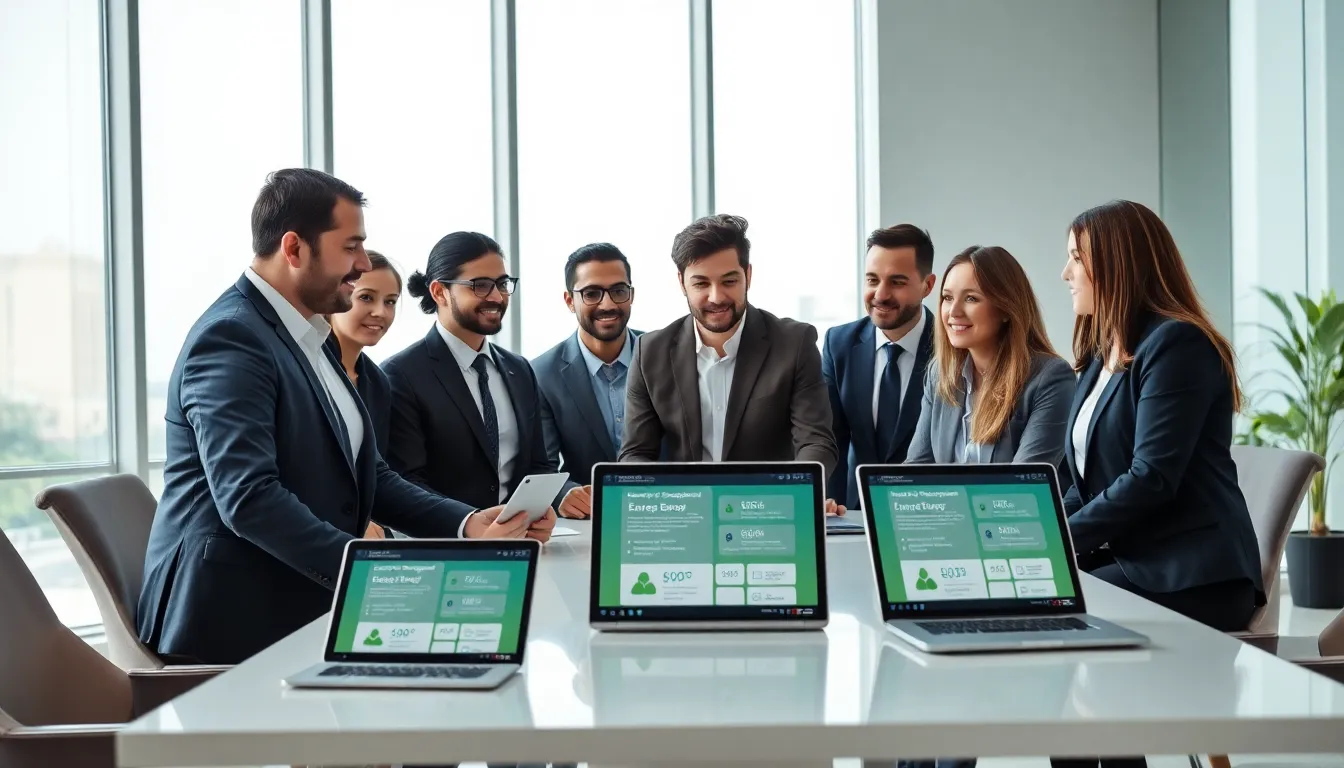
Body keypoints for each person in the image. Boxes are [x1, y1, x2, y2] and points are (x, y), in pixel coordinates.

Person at [137, 169, 552, 666]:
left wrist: (467, 524)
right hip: (234, 618)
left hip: (303, 596)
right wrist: (372, 571)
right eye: (350, 246)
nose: (360, 265)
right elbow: (248, 498)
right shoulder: (233, 338)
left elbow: (370, 472)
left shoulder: (310, 339)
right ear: (294, 249)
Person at [1053, 200, 1265, 768]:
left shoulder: (1177, 345)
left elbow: (1151, 478)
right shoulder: (1102, 356)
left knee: (1061, 632)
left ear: (1116, 264)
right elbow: (1085, 480)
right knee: (1052, 627)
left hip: (1194, 570)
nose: (1065, 273)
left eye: (1076, 258)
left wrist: (1055, 542)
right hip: (1135, 558)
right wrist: (1041, 529)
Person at [619, 214, 838, 479]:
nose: (716, 297)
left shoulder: (794, 344)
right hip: (687, 506)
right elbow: (635, 454)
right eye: (701, 283)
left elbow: (816, 444)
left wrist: (802, 492)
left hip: (765, 506)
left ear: (748, 275)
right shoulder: (649, 353)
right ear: (681, 283)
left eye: (729, 281)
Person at [383, 232, 559, 514]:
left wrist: (537, 513)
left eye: (502, 284)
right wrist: (470, 525)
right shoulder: (400, 375)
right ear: (439, 292)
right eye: (480, 285)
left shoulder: (519, 370)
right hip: (445, 546)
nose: (497, 296)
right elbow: (406, 482)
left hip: (516, 542)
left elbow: (539, 466)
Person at [905, 245, 1074, 465]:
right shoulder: (939, 374)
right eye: (947, 298)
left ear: (1006, 308)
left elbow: (1025, 485)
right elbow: (916, 471)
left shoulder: (1050, 377)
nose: (953, 312)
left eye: (971, 299)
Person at [822, 224, 937, 510]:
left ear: (928, 285)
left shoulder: (951, 350)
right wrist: (830, 508)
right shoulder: (839, 344)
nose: (880, 295)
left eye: (897, 282)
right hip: (853, 512)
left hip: (927, 512)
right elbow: (832, 437)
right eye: (872, 280)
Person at [532, 243, 643, 519]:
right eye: (591, 293)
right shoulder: (541, 374)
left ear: (631, 295)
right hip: (590, 521)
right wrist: (564, 494)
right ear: (570, 301)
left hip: (671, 512)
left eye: (618, 291)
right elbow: (541, 466)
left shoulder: (668, 356)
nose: (607, 304)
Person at [325, 249, 402, 539]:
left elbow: (375, 476)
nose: (381, 312)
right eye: (366, 297)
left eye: (390, 302)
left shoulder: (378, 382)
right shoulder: (309, 370)